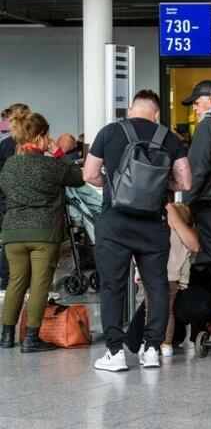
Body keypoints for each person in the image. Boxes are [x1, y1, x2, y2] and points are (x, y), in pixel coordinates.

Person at [84, 89, 191, 372]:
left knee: (112, 286)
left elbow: (89, 174)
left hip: (115, 222)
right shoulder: (169, 138)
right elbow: (185, 182)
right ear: (156, 113)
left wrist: (115, 183)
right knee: (156, 287)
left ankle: (115, 353)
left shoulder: (109, 132)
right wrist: (154, 186)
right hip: (153, 225)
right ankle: (152, 349)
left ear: (131, 110)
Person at [0, 110, 84, 352]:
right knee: (39, 285)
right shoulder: (51, 164)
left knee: (16, 283)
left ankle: (6, 336)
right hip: (43, 234)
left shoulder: (9, 166)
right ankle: (31, 339)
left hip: (13, 233)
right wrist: (58, 151)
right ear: (41, 137)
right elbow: (78, 178)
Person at [136, 202, 199, 357]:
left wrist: (138, 272)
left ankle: (149, 341)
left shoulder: (158, 233)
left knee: (150, 310)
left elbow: (142, 256)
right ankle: (167, 344)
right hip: (173, 280)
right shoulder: (181, 239)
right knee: (168, 311)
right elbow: (186, 259)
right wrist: (184, 280)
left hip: (153, 278)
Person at [0, 103, 31, 296]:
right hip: (11, 198)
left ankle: (7, 280)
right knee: (11, 239)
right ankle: (5, 281)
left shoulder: (9, 143)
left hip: (10, 197)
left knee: (11, 238)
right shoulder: (12, 144)